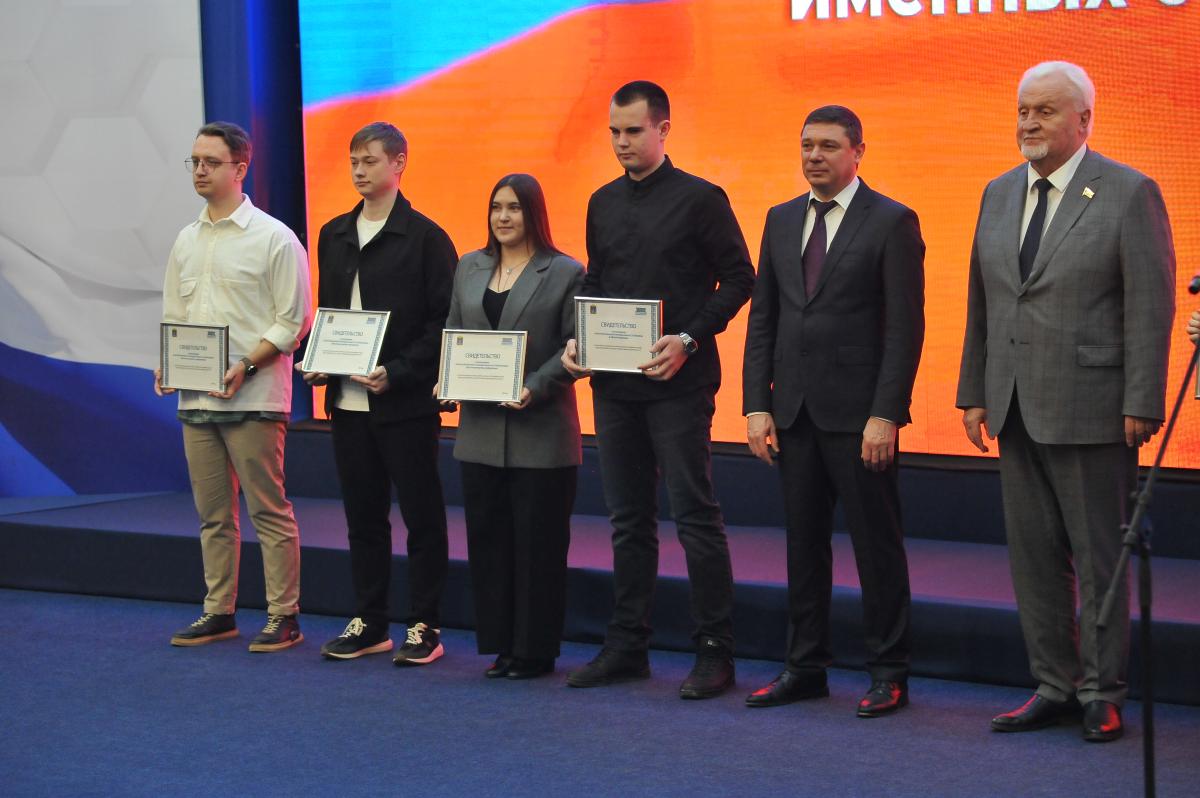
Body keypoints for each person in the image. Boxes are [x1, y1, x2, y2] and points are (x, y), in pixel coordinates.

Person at [957, 62, 1176, 742]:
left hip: (1094, 406)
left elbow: (1151, 304)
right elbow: (983, 301)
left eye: (1045, 111)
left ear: (1084, 120)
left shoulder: (1129, 192)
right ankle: (1053, 684)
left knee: (1099, 557)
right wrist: (973, 391)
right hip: (1013, 403)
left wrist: (1142, 397)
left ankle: (1101, 692)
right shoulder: (998, 192)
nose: (1028, 122)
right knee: (1033, 559)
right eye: (1023, 110)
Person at [562, 81, 755, 699]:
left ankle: (715, 651)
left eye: (633, 131)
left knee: (694, 516)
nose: (621, 142)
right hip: (614, 385)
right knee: (627, 520)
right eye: (614, 132)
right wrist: (579, 337)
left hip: (679, 383)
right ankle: (627, 647)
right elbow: (597, 279)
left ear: (663, 130)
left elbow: (740, 278)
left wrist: (689, 339)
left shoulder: (701, 199)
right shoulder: (601, 201)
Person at [741, 106, 925, 717]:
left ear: (858, 151)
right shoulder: (780, 218)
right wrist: (756, 405)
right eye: (806, 145)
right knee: (803, 546)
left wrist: (886, 414)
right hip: (792, 413)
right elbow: (764, 318)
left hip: (860, 418)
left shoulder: (892, 220)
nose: (814, 156)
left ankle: (889, 673)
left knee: (877, 548)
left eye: (827, 145)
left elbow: (904, 329)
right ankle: (805, 668)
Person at [301, 122, 457, 665]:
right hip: (347, 404)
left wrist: (400, 370)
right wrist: (318, 361)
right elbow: (332, 315)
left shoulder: (426, 237)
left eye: (369, 160)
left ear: (399, 163)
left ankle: (424, 624)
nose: (359, 171)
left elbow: (443, 323)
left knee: (421, 516)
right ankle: (370, 621)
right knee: (362, 517)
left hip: (405, 403)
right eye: (353, 161)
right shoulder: (334, 233)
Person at [156, 121, 313, 652]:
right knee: (212, 516)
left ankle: (283, 615)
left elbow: (294, 321)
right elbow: (175, 315)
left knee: (268, 510)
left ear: (241, 168)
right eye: (195, 161)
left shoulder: (274, 237)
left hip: (254, 397)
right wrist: (167, 365)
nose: (200, 171)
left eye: (211, 162)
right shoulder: (187, 238)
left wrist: (246, 364)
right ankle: (219, 611)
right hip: (196, 397)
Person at [443, 173, 584, 679]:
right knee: (489, 545)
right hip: (479, 434)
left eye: (514, 208)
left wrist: (535, 386)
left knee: (538, 549)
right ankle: (502, 645)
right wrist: (447, 379)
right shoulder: (469, 265)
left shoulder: (565, 271)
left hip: (540, 434)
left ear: (534, 214)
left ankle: (534, 651)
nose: (503, 217)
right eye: (496, 207)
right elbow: (454, 331)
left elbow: (576, 348)